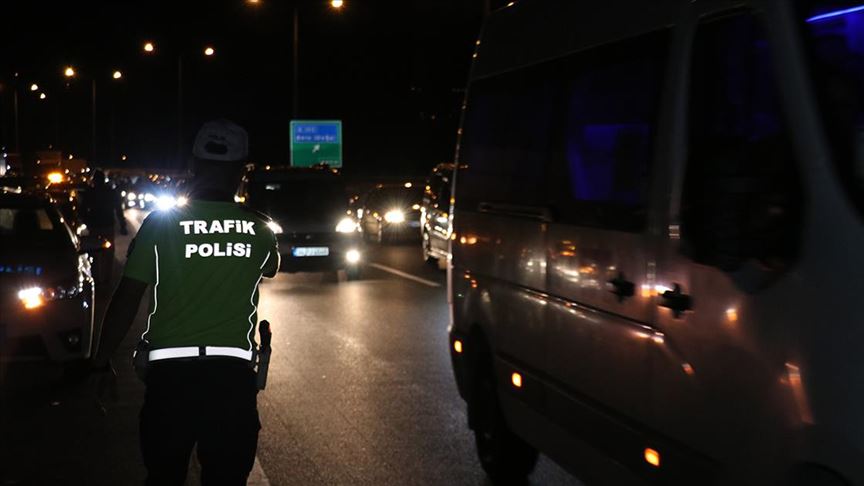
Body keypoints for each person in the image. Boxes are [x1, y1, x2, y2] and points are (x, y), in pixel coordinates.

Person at [90, 119, 280, 486]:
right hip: (231, 383)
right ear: (241, 172)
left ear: (193, 166)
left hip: (170, 384)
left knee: (163, 477)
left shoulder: (160, 224)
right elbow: (270, 268)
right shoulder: (259, 229)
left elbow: (127, 297)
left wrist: (101, 363)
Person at [83, 169, 129, 239]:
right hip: (106, 223)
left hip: (95, 224)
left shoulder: (90, 193)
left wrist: (87, 221)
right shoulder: (110, 192)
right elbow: (118, 209)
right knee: (108, 245)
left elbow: (83, 208)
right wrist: (122, 225)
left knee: (95, 245)